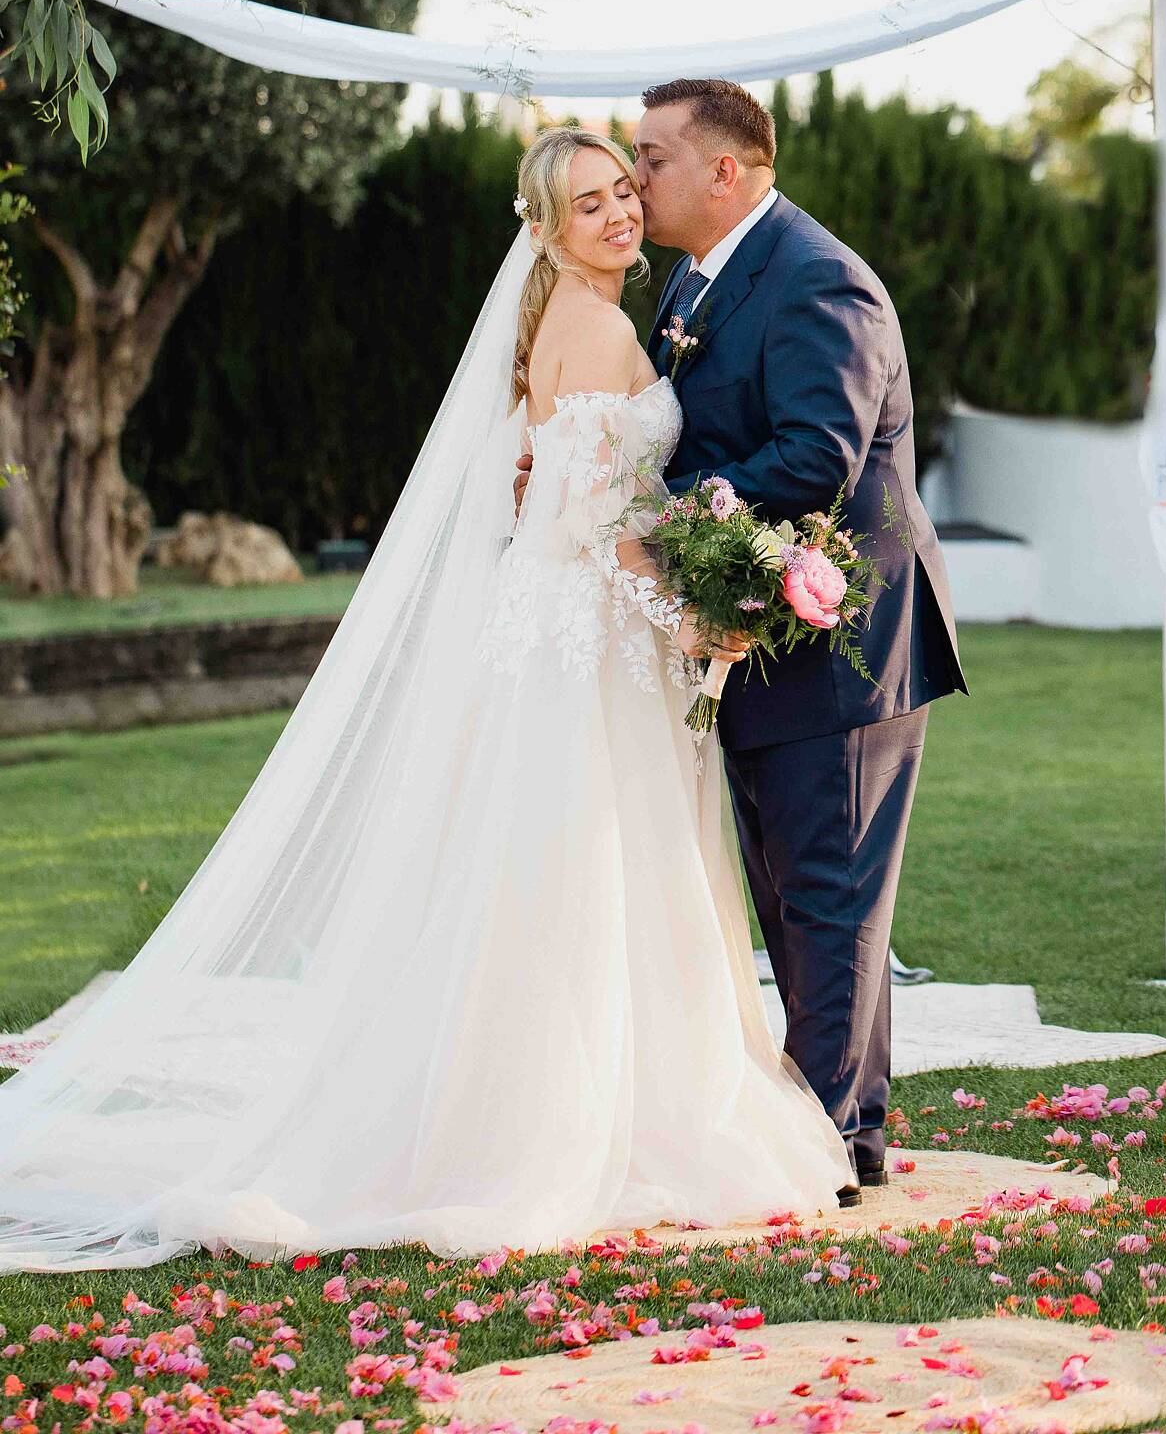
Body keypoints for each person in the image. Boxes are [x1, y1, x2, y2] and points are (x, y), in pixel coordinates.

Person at [0, 126, 855, 1274]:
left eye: (620, 192)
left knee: (561, 873)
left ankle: (550, 1101)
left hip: (562, 633)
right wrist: (700, 594)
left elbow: (553, 484)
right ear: (546, 227)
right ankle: (576, 1124)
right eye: (588, 203)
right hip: (588, 637)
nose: (615, 214)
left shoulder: (572, 319)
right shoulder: (599, 326)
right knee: (595, 871)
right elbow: (599, 521)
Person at [519, 80, 967, 1199]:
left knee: (826, 892)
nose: (635, 181)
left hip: (844, 638)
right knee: (792, 896)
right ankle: (835, 1125)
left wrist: (655, 518)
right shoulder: (690, 279)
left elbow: (816, 455)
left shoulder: (819, 279)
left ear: (727, 171)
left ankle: (829, 1142)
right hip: (758, 637)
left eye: (651, 159)